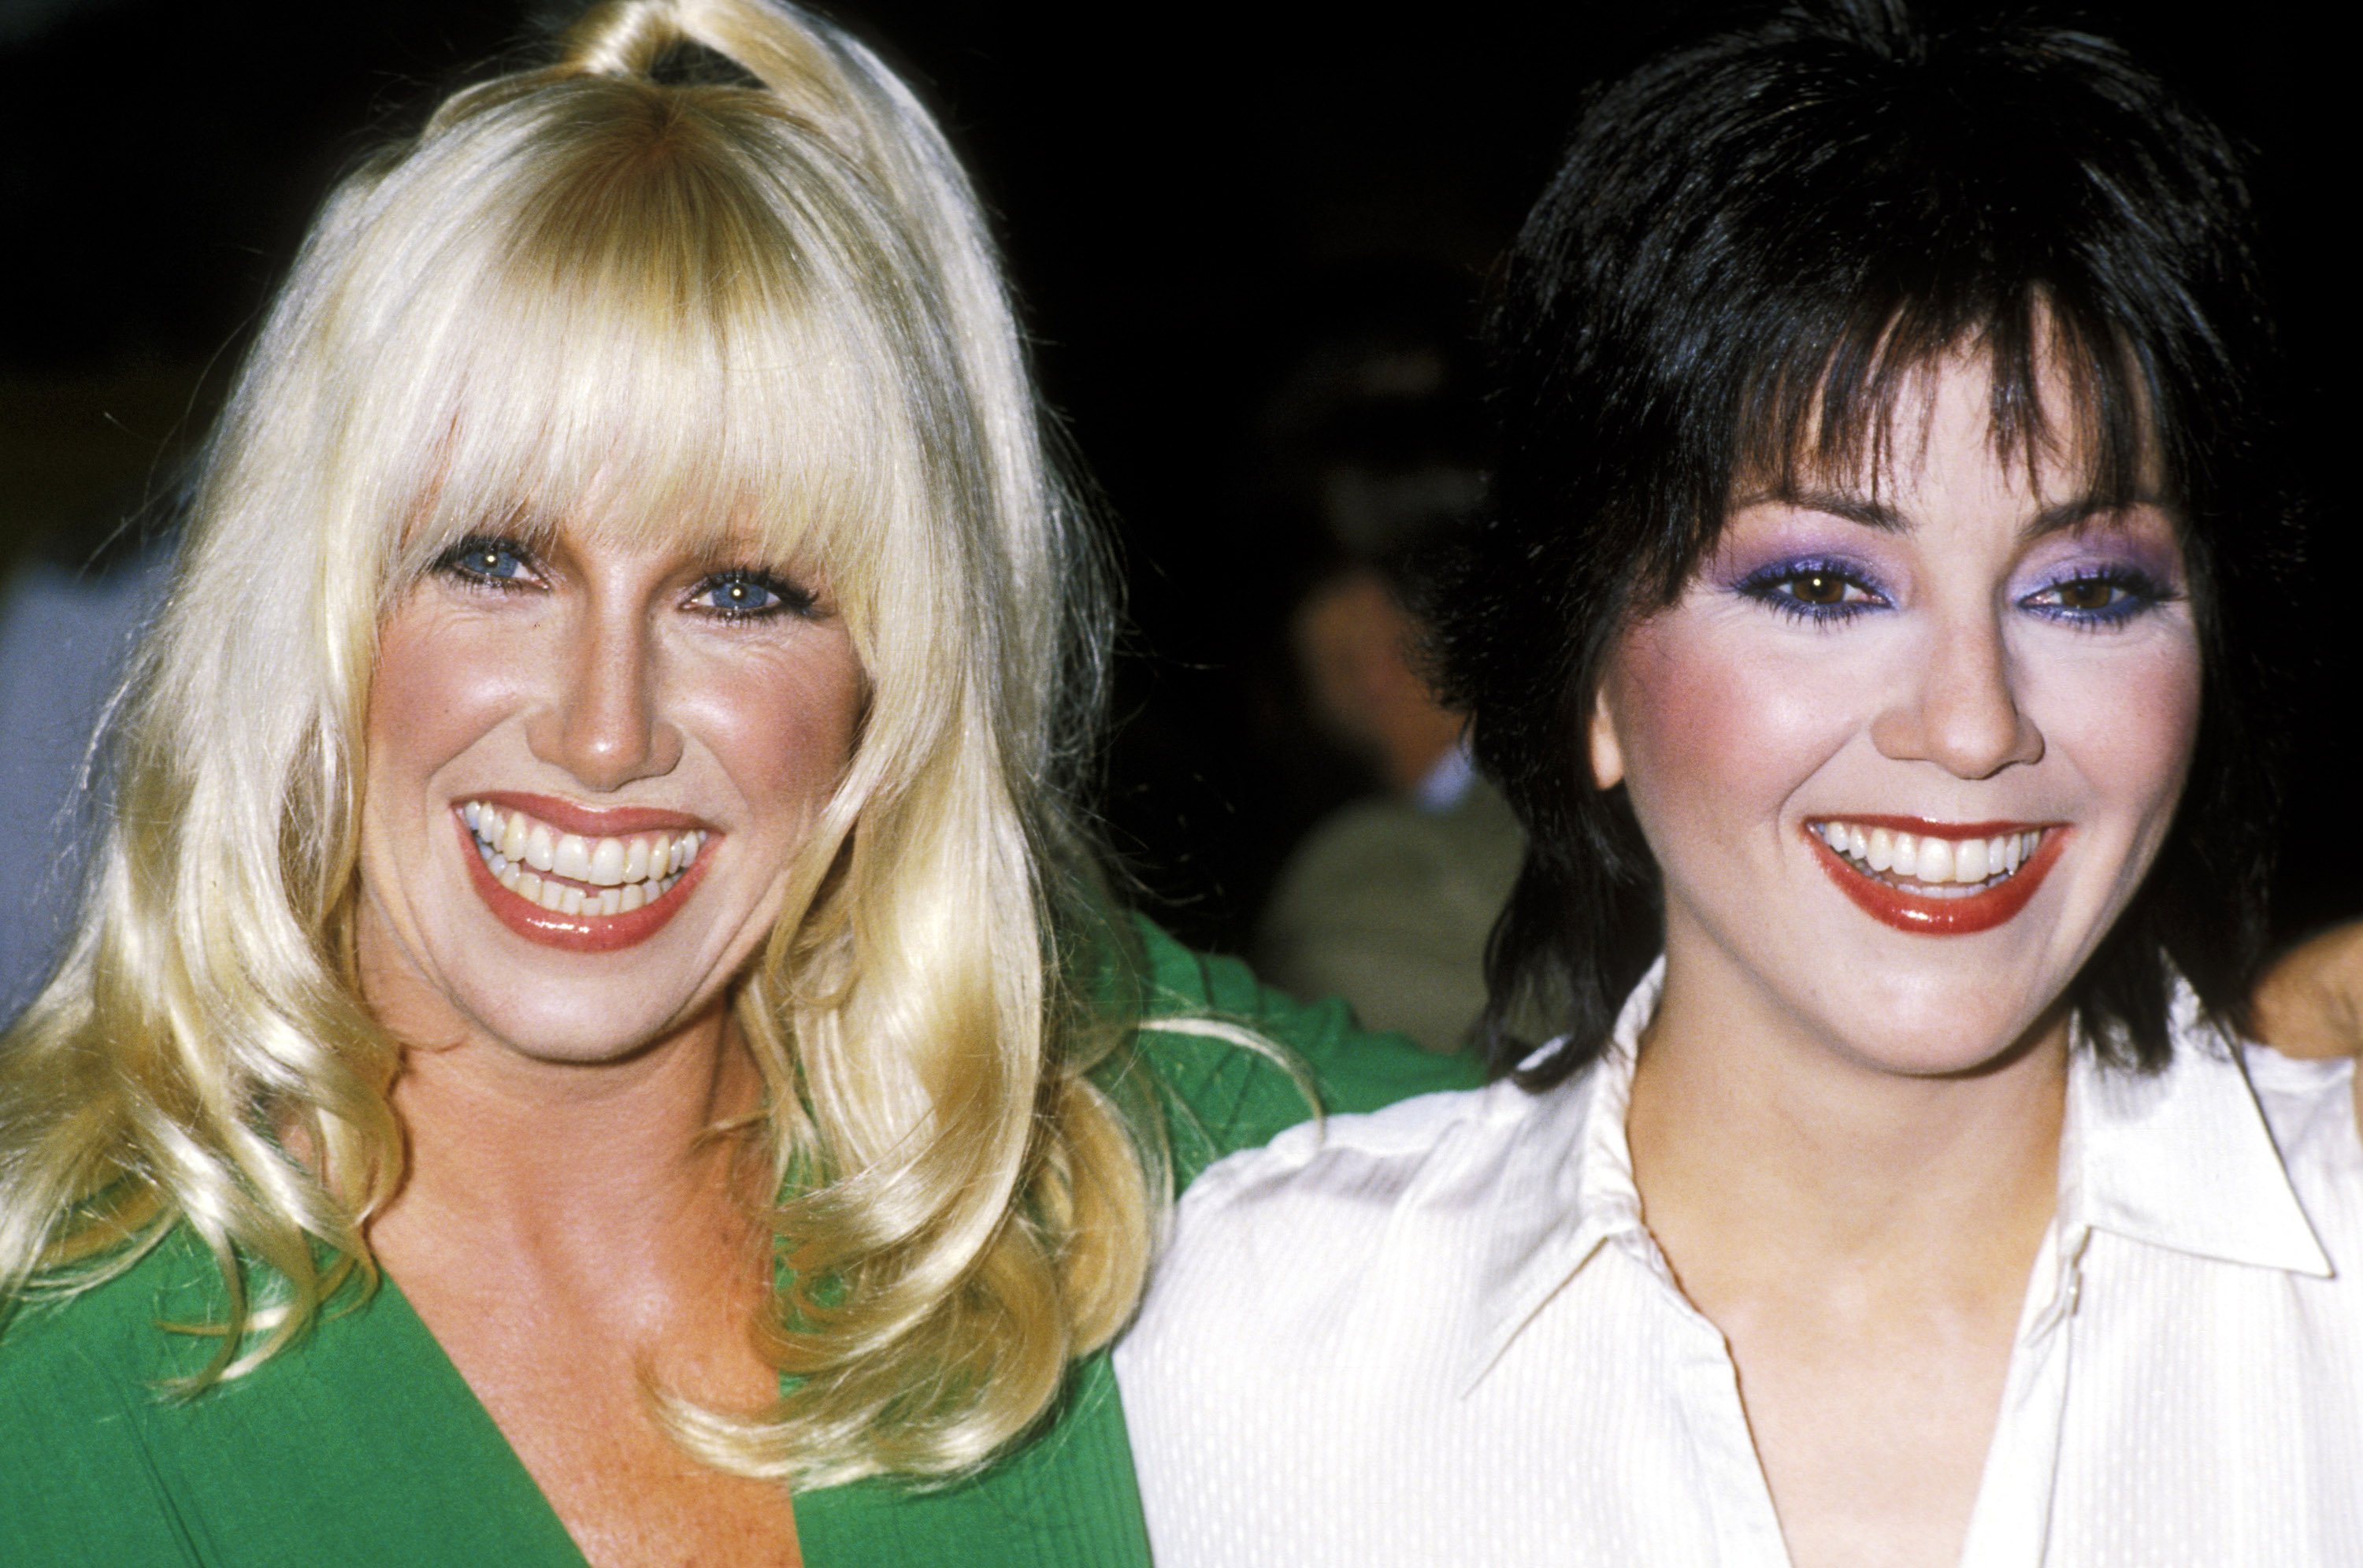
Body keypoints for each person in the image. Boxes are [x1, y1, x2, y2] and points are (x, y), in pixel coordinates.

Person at [0, 3, 1477, 1563]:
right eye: (495, 562)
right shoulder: (57, 1365)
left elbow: (1664, 1194)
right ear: (310, 614)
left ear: (891, 675)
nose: (603, 729)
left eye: (743, 591)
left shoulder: (1090, 1135)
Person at [1115, 4, 2363, 1564]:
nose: (1971, 726)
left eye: (2087, 592)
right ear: (1588, 676)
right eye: (1825, 589)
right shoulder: (1245, 1347)